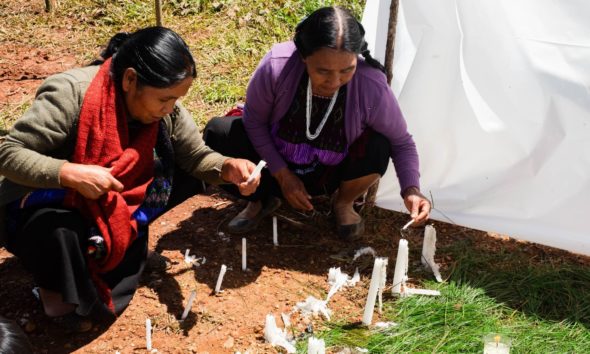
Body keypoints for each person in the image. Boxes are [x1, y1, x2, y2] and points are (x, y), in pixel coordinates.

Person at [0, 27, 260, 327]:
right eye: (164, 99)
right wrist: (68, 173)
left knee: (186, 176)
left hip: (109, 201)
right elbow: (10, 153)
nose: (170, 109)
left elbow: (196, 157)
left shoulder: (165, 110)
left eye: (176, 99)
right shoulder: (71, 94)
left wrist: (227, 167)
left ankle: (120, 239)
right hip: (48, 204)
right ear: (130, 79)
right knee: (59, 231)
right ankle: (56, 290)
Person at [204, 6, 431, 239]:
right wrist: (282, 175)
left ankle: (343, 203)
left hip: (329, 172)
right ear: (303, 56)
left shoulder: (370, 84)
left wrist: (411, 189)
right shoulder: (278, 66)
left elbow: (401, 142)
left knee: (379, 144)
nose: (334, 81)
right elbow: (254, 123)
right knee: (218, 134)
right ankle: (260, 199)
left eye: (347, 70)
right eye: (323, 71)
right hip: (272, 163)